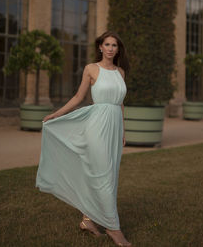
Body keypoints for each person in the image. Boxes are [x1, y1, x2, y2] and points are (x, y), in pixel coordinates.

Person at [36, 31, 132, 246]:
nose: (110, 48)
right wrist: (55, 114)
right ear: (100, 47)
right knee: (102, 176)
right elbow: (79, 97)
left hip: (114, 128)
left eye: (114, 45)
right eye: (106, 44)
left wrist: (123, 130)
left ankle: (88, 220)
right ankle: (113, 228)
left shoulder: (121, 72)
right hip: (96, 128)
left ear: (118, 49)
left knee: (110, 175)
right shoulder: (91, 69)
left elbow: (120, 103)